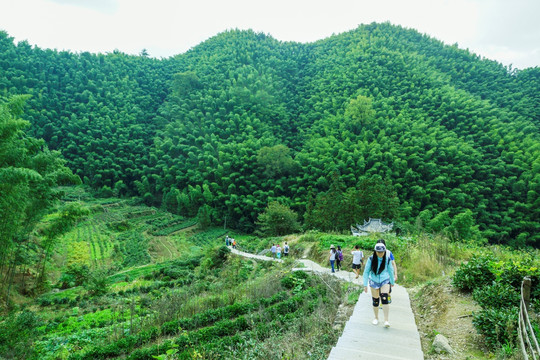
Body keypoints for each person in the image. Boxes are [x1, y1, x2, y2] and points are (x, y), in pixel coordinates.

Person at [363, 243, 395, 327]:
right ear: (375, 251)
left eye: (382, 252)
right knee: (375, 300)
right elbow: (366, 272)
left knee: (384, 297)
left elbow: (391, 271)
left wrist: (392, 282)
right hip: (374, 280)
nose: (380, 254)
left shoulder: (387, 259)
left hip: (385, 280)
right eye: (378, 252)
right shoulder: (371, 259)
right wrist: (365, 284)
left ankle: (386, 320)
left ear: (384, 251)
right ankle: (376, 318)